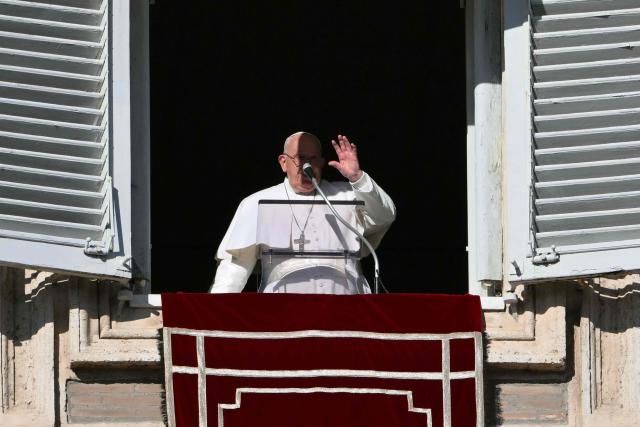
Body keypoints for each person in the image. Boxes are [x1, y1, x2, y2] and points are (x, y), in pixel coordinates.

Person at [210, 131, 395, 294]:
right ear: (284, 162)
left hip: (345, 306)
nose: (308, 165)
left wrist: (357, 178)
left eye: (314, 159)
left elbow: (385, 215)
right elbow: (237, 263)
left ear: (322, 162)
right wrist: (215, 312)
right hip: (283, 312)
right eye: (300, 158)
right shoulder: (256, 203)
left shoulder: (347, 195)